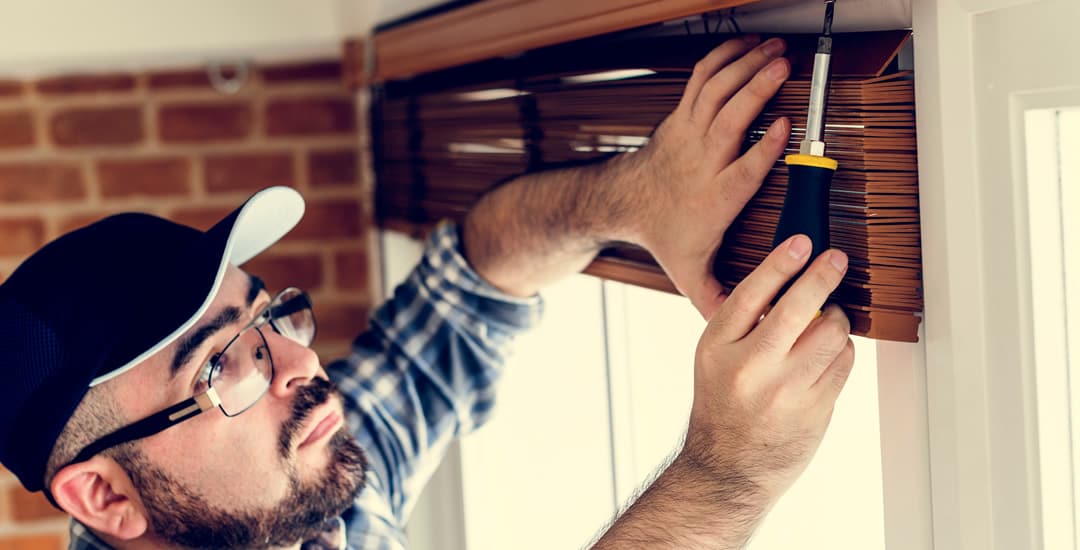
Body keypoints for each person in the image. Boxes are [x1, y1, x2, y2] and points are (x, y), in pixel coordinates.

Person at [0, 35, 854, 550]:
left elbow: (475, 273)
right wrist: (729, 471)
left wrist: (637, 198)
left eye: (269, 316)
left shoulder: (303, 498)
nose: (301, 360)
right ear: (106, 497)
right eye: (224, 365)